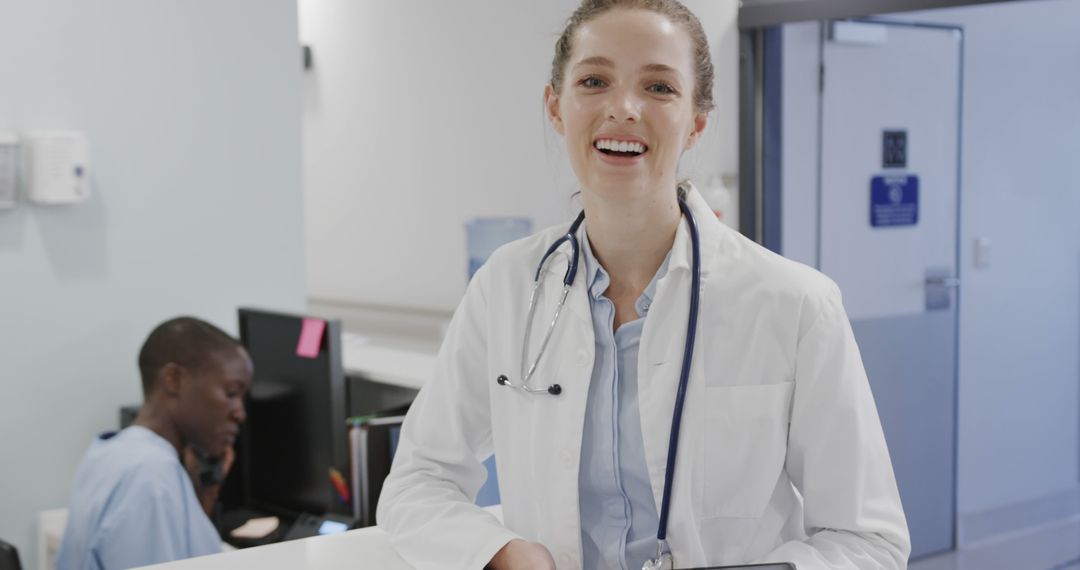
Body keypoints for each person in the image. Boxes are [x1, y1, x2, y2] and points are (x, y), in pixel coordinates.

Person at [377, 1, 911, 568]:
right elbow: (417, 481)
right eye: (594, 80)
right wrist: (503, 553)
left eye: (658, 87)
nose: (624, 108)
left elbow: (869, 541)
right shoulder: (506, 287)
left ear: (697, 122)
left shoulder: (796, 305)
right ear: (556, 108)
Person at [56, 317, 252, 570]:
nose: (240, 413)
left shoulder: (112, 451)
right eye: (231, 394)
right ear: (173, 379)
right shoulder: (151, 476)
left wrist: (202, 495)